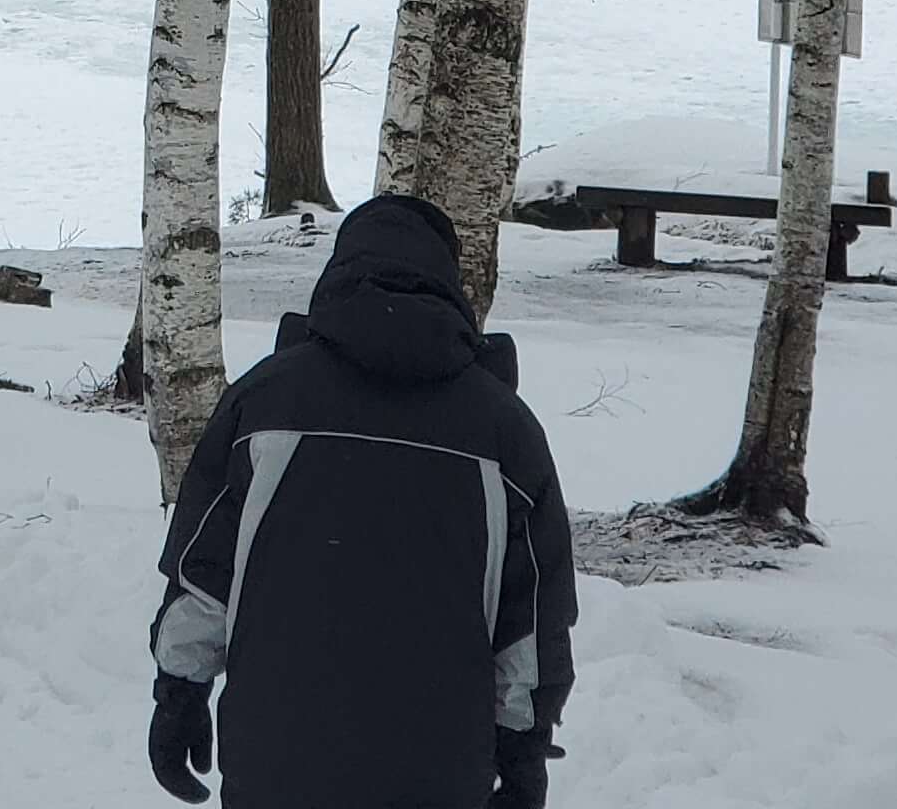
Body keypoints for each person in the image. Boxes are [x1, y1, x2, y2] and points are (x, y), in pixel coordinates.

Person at [146, 193, 578, 808]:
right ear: (451, 284)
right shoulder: (505, 431)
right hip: (438, 770)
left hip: (276, 760)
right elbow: (529, 622)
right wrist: (524, 750)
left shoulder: (264, 403)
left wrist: (179, 695)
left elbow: (204, 577)